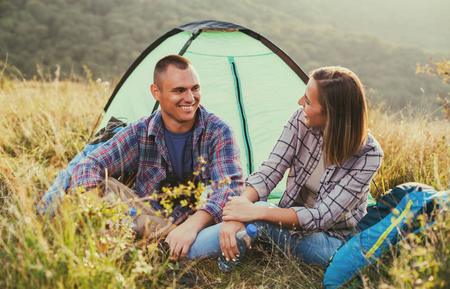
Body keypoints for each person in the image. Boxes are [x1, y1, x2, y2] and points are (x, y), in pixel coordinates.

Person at [188, 66, 383, 265]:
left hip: (331, 242)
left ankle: (184, 251)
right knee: (248, 208)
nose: (300, 103)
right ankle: (186, 239)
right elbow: (269, 171)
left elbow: (321, 217)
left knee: (260, 214)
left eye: (307, 101)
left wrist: (258, 212)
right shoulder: (300, 120)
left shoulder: (368, 154)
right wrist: (239, 211)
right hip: (288, 225)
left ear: (331, 113)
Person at [70, 55, 243, 261]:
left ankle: (135, 247)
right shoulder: (140, 131)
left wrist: (190, 226)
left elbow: (230, 188)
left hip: (197, 226)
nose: (190, 98)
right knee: (102, 186)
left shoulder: (218, 130)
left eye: (195, 88)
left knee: (239, 229)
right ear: (156, 92)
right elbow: (90, 164)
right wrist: (93, 203)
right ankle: (133, 245)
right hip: (149, 219)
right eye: (179, 90)